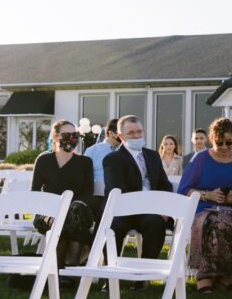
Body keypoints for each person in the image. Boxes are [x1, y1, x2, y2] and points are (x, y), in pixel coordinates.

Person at [177, 117, 232, 293]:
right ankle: (206, 275)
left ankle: (227, 273)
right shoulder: (200, 159)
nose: (224, 147)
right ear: (211, 139)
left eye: (228, 143)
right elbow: (184, 189)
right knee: (218, 223)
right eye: (219, 142)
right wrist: (208, 195)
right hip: (203, 208)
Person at [103, 115, 174, 260]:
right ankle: (111, 274)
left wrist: (163, 208)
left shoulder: (153, 156)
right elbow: (116, 190)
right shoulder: (113, 159)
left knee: (157, 222)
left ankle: (143, 275)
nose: (136, 136)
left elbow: (164, 185)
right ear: (121, 136)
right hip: (124, 211)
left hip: (150, 212)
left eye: (139, 132)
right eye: (131, 133)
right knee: (113, 225)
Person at [31, 120, 96, 269]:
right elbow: (35, 191)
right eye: (67, 135)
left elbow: (88, 192)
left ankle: (59, 269)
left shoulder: (85, 162)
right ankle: (69, 268)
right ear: (55, 137)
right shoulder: (43, 160)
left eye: (75, 135)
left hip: (77, 211)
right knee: (63, 221)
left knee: (74, 213)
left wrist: (71, 208)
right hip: (48, 213)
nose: (72, 139)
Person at [84, 118, 120, 195]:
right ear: (111, 133)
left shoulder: (126, 151)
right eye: (119, 133)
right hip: (99, 196)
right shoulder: (92, 150)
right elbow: (84, 176)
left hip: (122, 195)